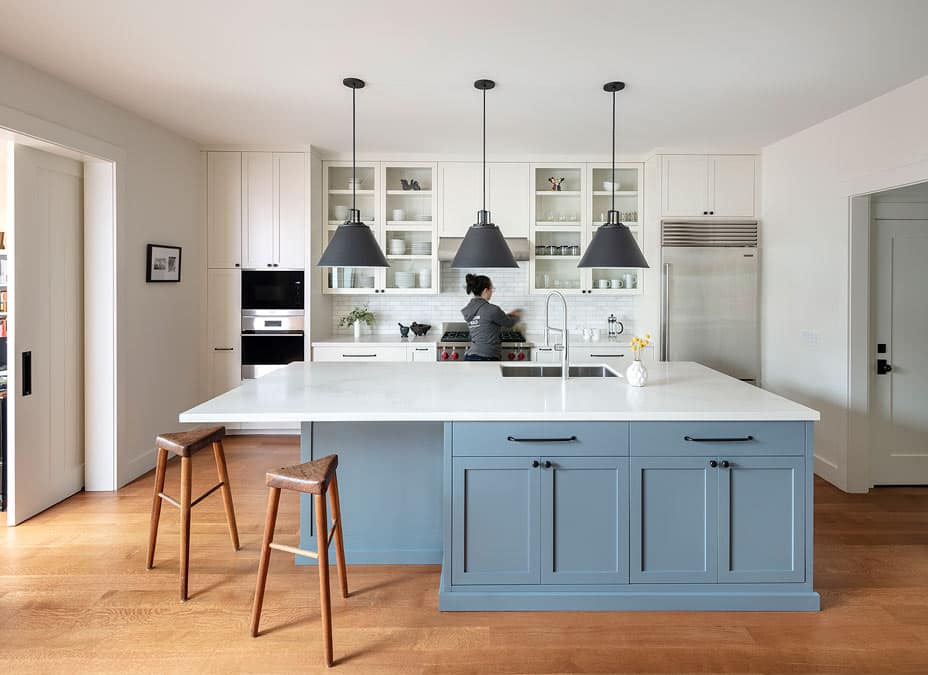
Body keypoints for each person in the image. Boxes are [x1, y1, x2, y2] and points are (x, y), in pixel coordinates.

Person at [460, 274, 522, 361]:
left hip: (471, 356)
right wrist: (516, 316)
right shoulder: (492, 309)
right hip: (487, 357)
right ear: (486, 290)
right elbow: (509, 323)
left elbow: (485, 319)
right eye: (491, 289)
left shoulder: (469, 309)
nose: (492, 292)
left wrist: (509, 315)